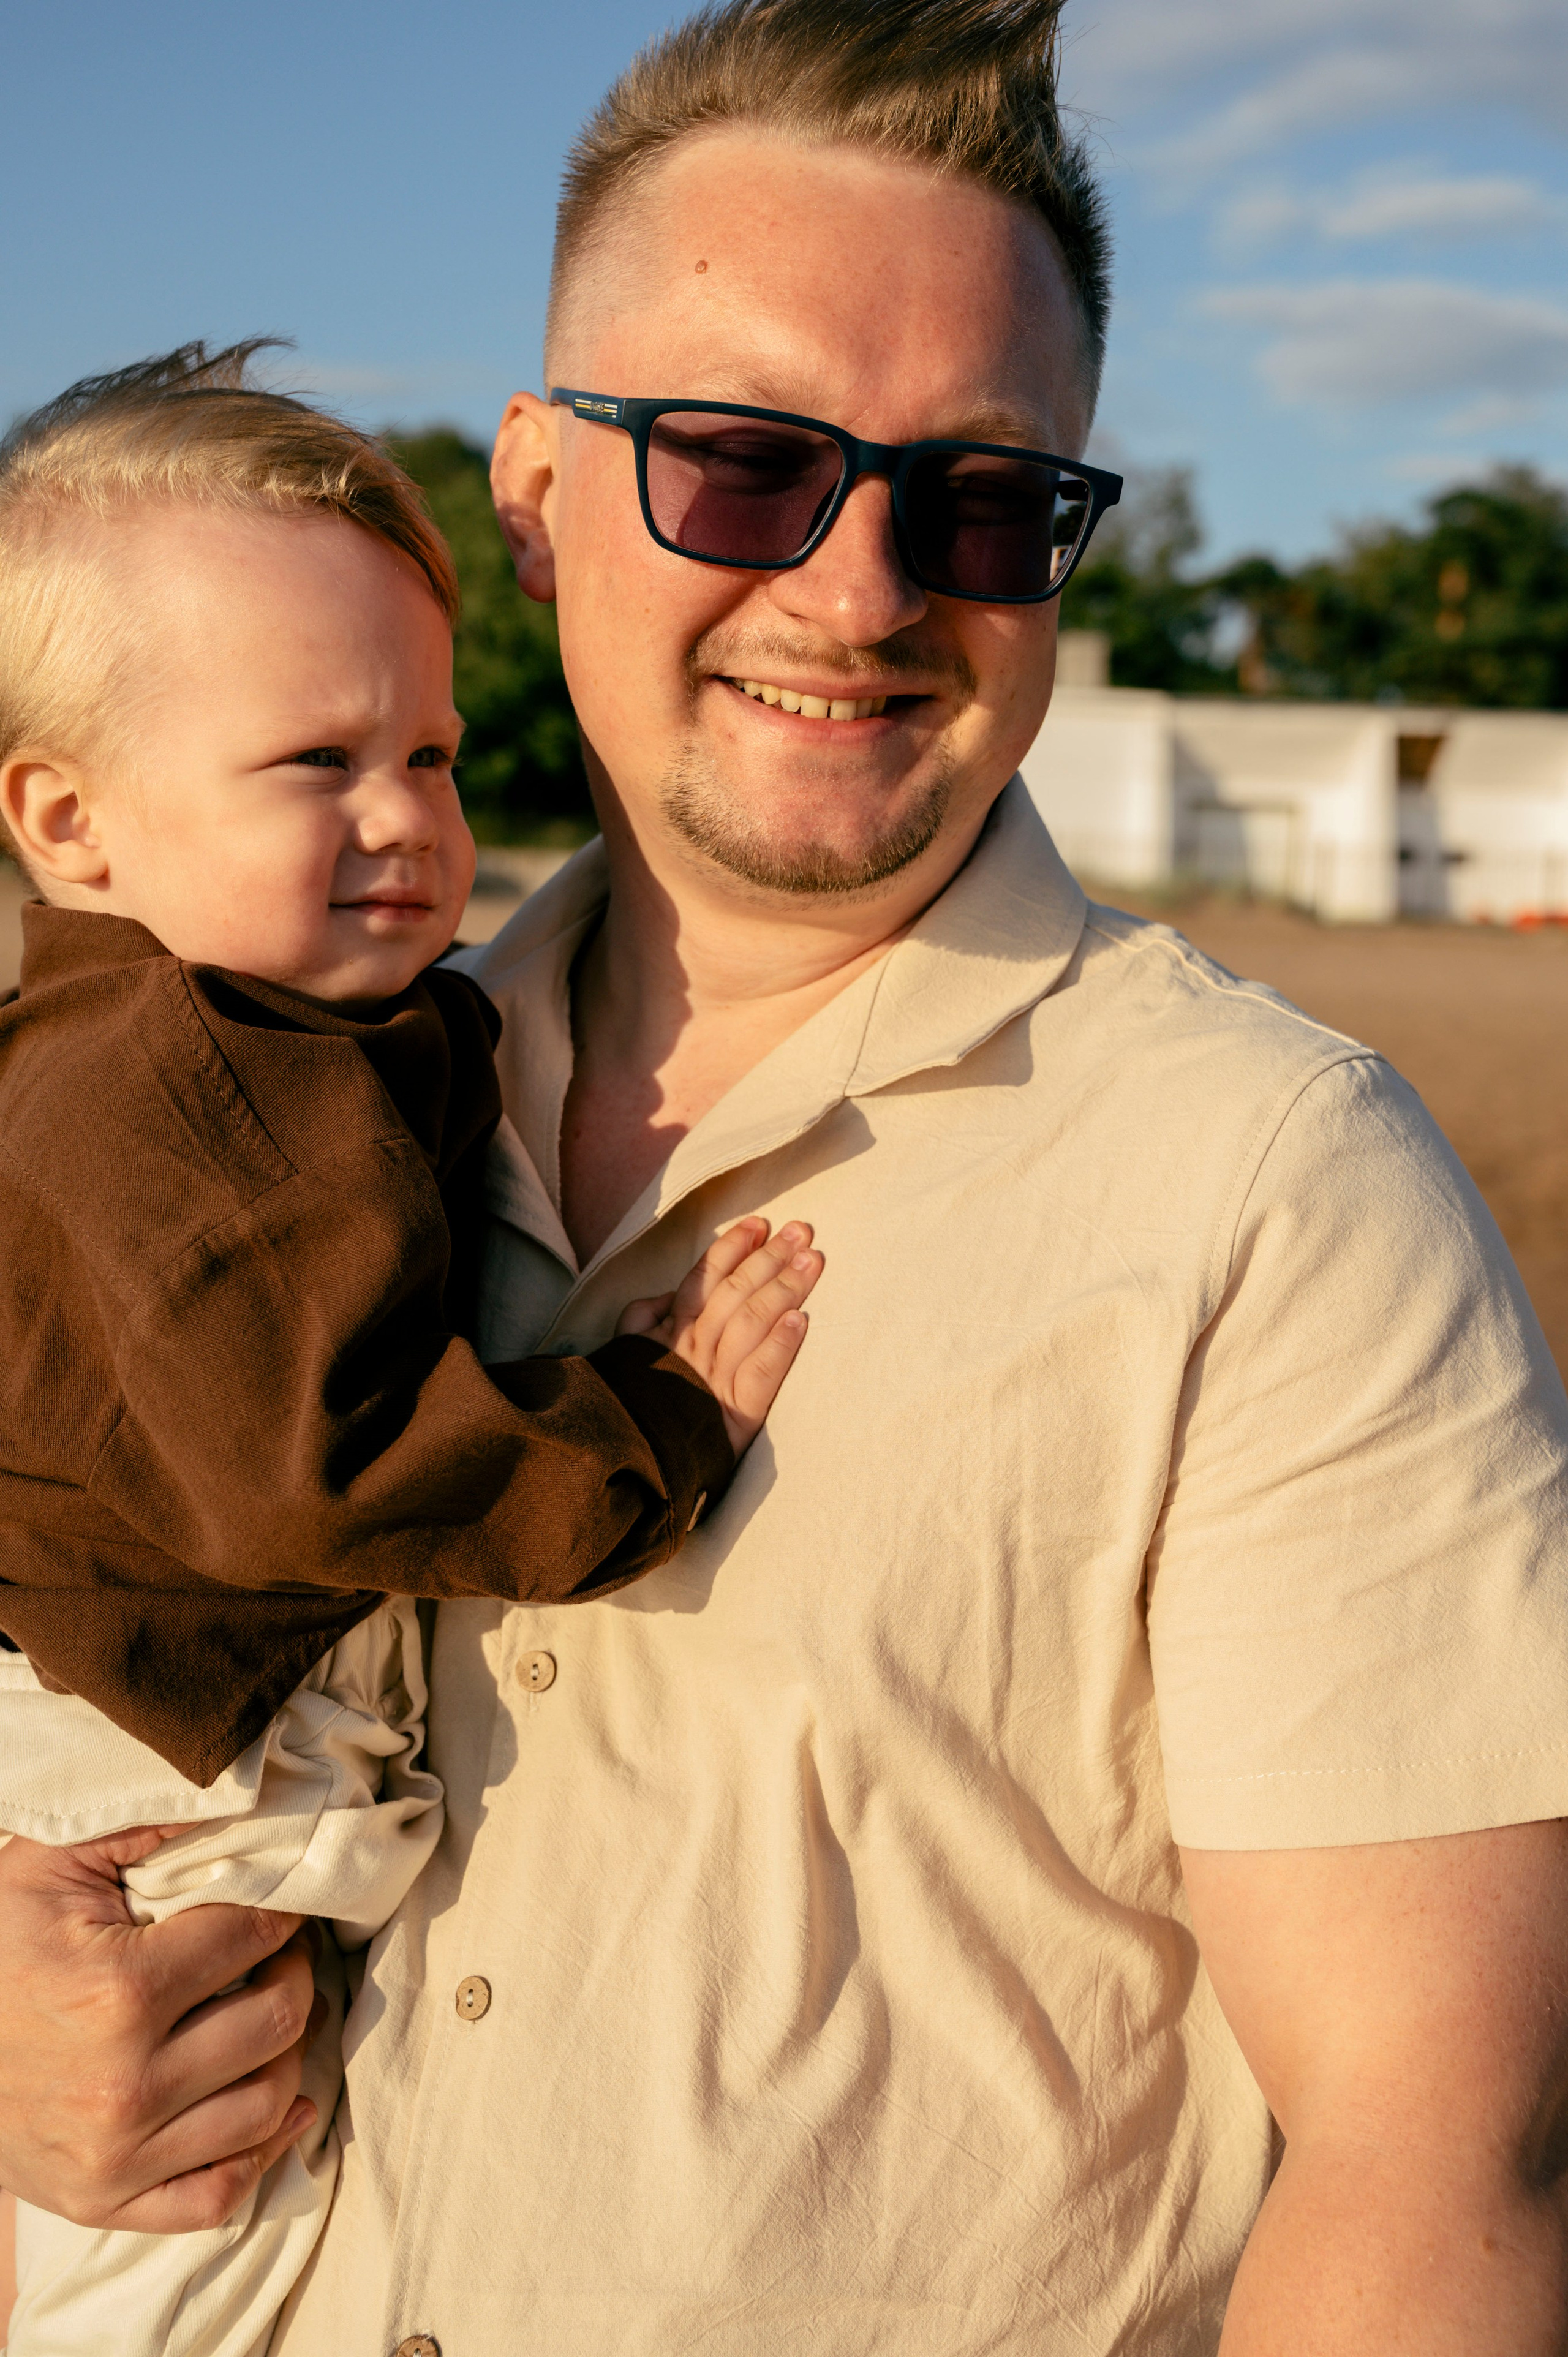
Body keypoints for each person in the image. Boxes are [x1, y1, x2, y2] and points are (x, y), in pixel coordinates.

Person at [4, 2, 1568, 2350]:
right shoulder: (269, 1064)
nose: (858, 592)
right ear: (531, 489)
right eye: (739, 462)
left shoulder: (1272, 1196)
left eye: (981, 497)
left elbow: (1437, 2164)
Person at [0, 347, 821, 2356]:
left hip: (160, 1723)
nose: (408, 823)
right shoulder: (171, 1093)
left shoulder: (246, 1029)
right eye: (316, 766)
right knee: (197, 2219)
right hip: (171, 1777)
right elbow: (332, 1471)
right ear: (69, 817)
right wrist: (660, 1414)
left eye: (438, 758)